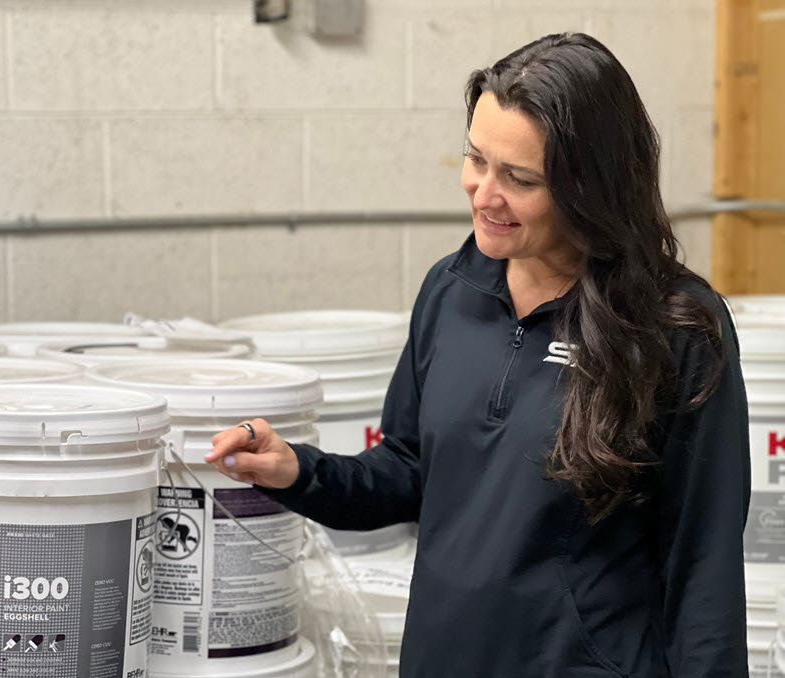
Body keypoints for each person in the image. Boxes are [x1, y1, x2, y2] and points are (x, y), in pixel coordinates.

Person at [207, 32, 750, 677]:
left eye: (519, 178)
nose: (483, 195)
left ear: (591, 188)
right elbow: (408, 470)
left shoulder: (675, 326)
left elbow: (704, 566)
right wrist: (298, 471)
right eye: (476, 159)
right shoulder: (451, 288)